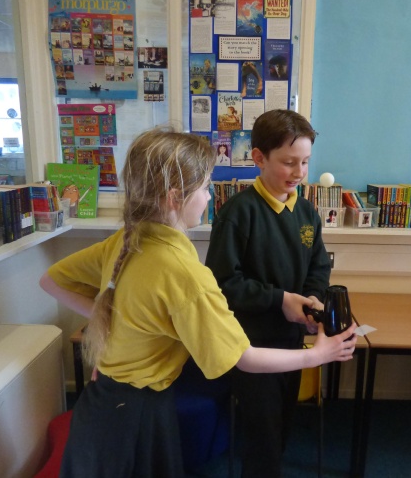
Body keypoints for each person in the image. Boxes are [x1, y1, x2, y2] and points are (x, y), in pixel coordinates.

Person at [39, 127, 356, 478]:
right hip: (138, 414)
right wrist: (317, 355)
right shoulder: (184, 272)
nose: (209, 197)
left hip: (101, 401)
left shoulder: (129, 238)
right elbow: (243, 358)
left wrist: (119, 319)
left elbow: (51, 280)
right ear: (175, 197)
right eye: (205, 188)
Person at [205, 109, 344, 478]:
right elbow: (222, 284)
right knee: (262, 440)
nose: (299, 172)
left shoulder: (307, 212)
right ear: (259, 158)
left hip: (290, 341)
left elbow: (318, 266)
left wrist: (312, 299)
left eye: (305, 162)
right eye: (288, 162)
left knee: (281, 427)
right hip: (251, 347)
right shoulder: (238, 213)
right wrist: (280, 300)